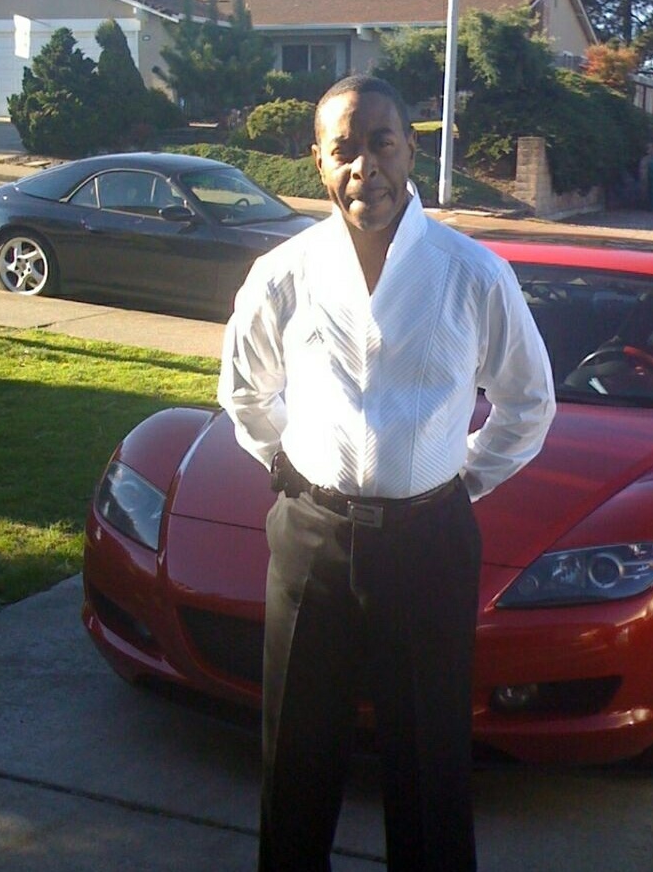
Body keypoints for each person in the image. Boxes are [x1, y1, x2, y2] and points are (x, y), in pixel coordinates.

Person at [218, 74, 555, 872]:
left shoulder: (472, 273)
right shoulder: (284, 273)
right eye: (343, 149)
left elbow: (527, 402)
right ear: (318, 161)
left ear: (409, 151)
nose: (363, 166)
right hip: (312, 541)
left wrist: (462, 480)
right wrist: (289, 468)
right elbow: (244, 390)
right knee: (295, 760)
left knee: (429, 763)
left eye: (381, 143)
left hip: (428, 543)